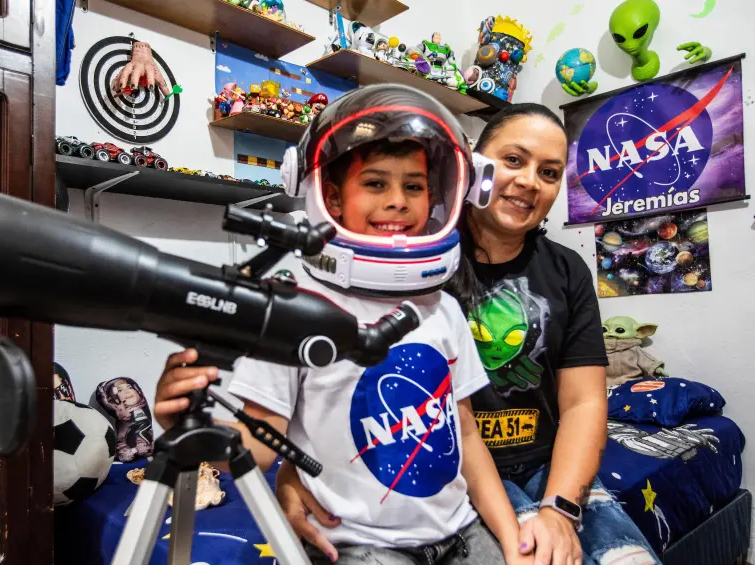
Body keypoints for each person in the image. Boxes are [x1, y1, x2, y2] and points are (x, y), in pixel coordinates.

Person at [153, 85, 534, 565]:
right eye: (375, 183)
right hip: (363, 547)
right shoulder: (294, 310)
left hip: (461, 529)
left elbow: (468, 437)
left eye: (414, 186)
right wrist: (189, 425)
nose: (398, 201)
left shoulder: (443, 309)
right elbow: (261, 447)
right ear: (330, 198)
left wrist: (511, 541)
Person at [274, 103, 661, 565]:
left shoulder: (567, 270)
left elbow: (584, 402)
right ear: (472, 169)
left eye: (550, 172)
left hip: (545, 465)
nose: (530, 182)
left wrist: (560, 508)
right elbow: (335, 381)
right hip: (451, 476)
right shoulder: (407, 261)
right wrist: (295, 470)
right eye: (514, 160)